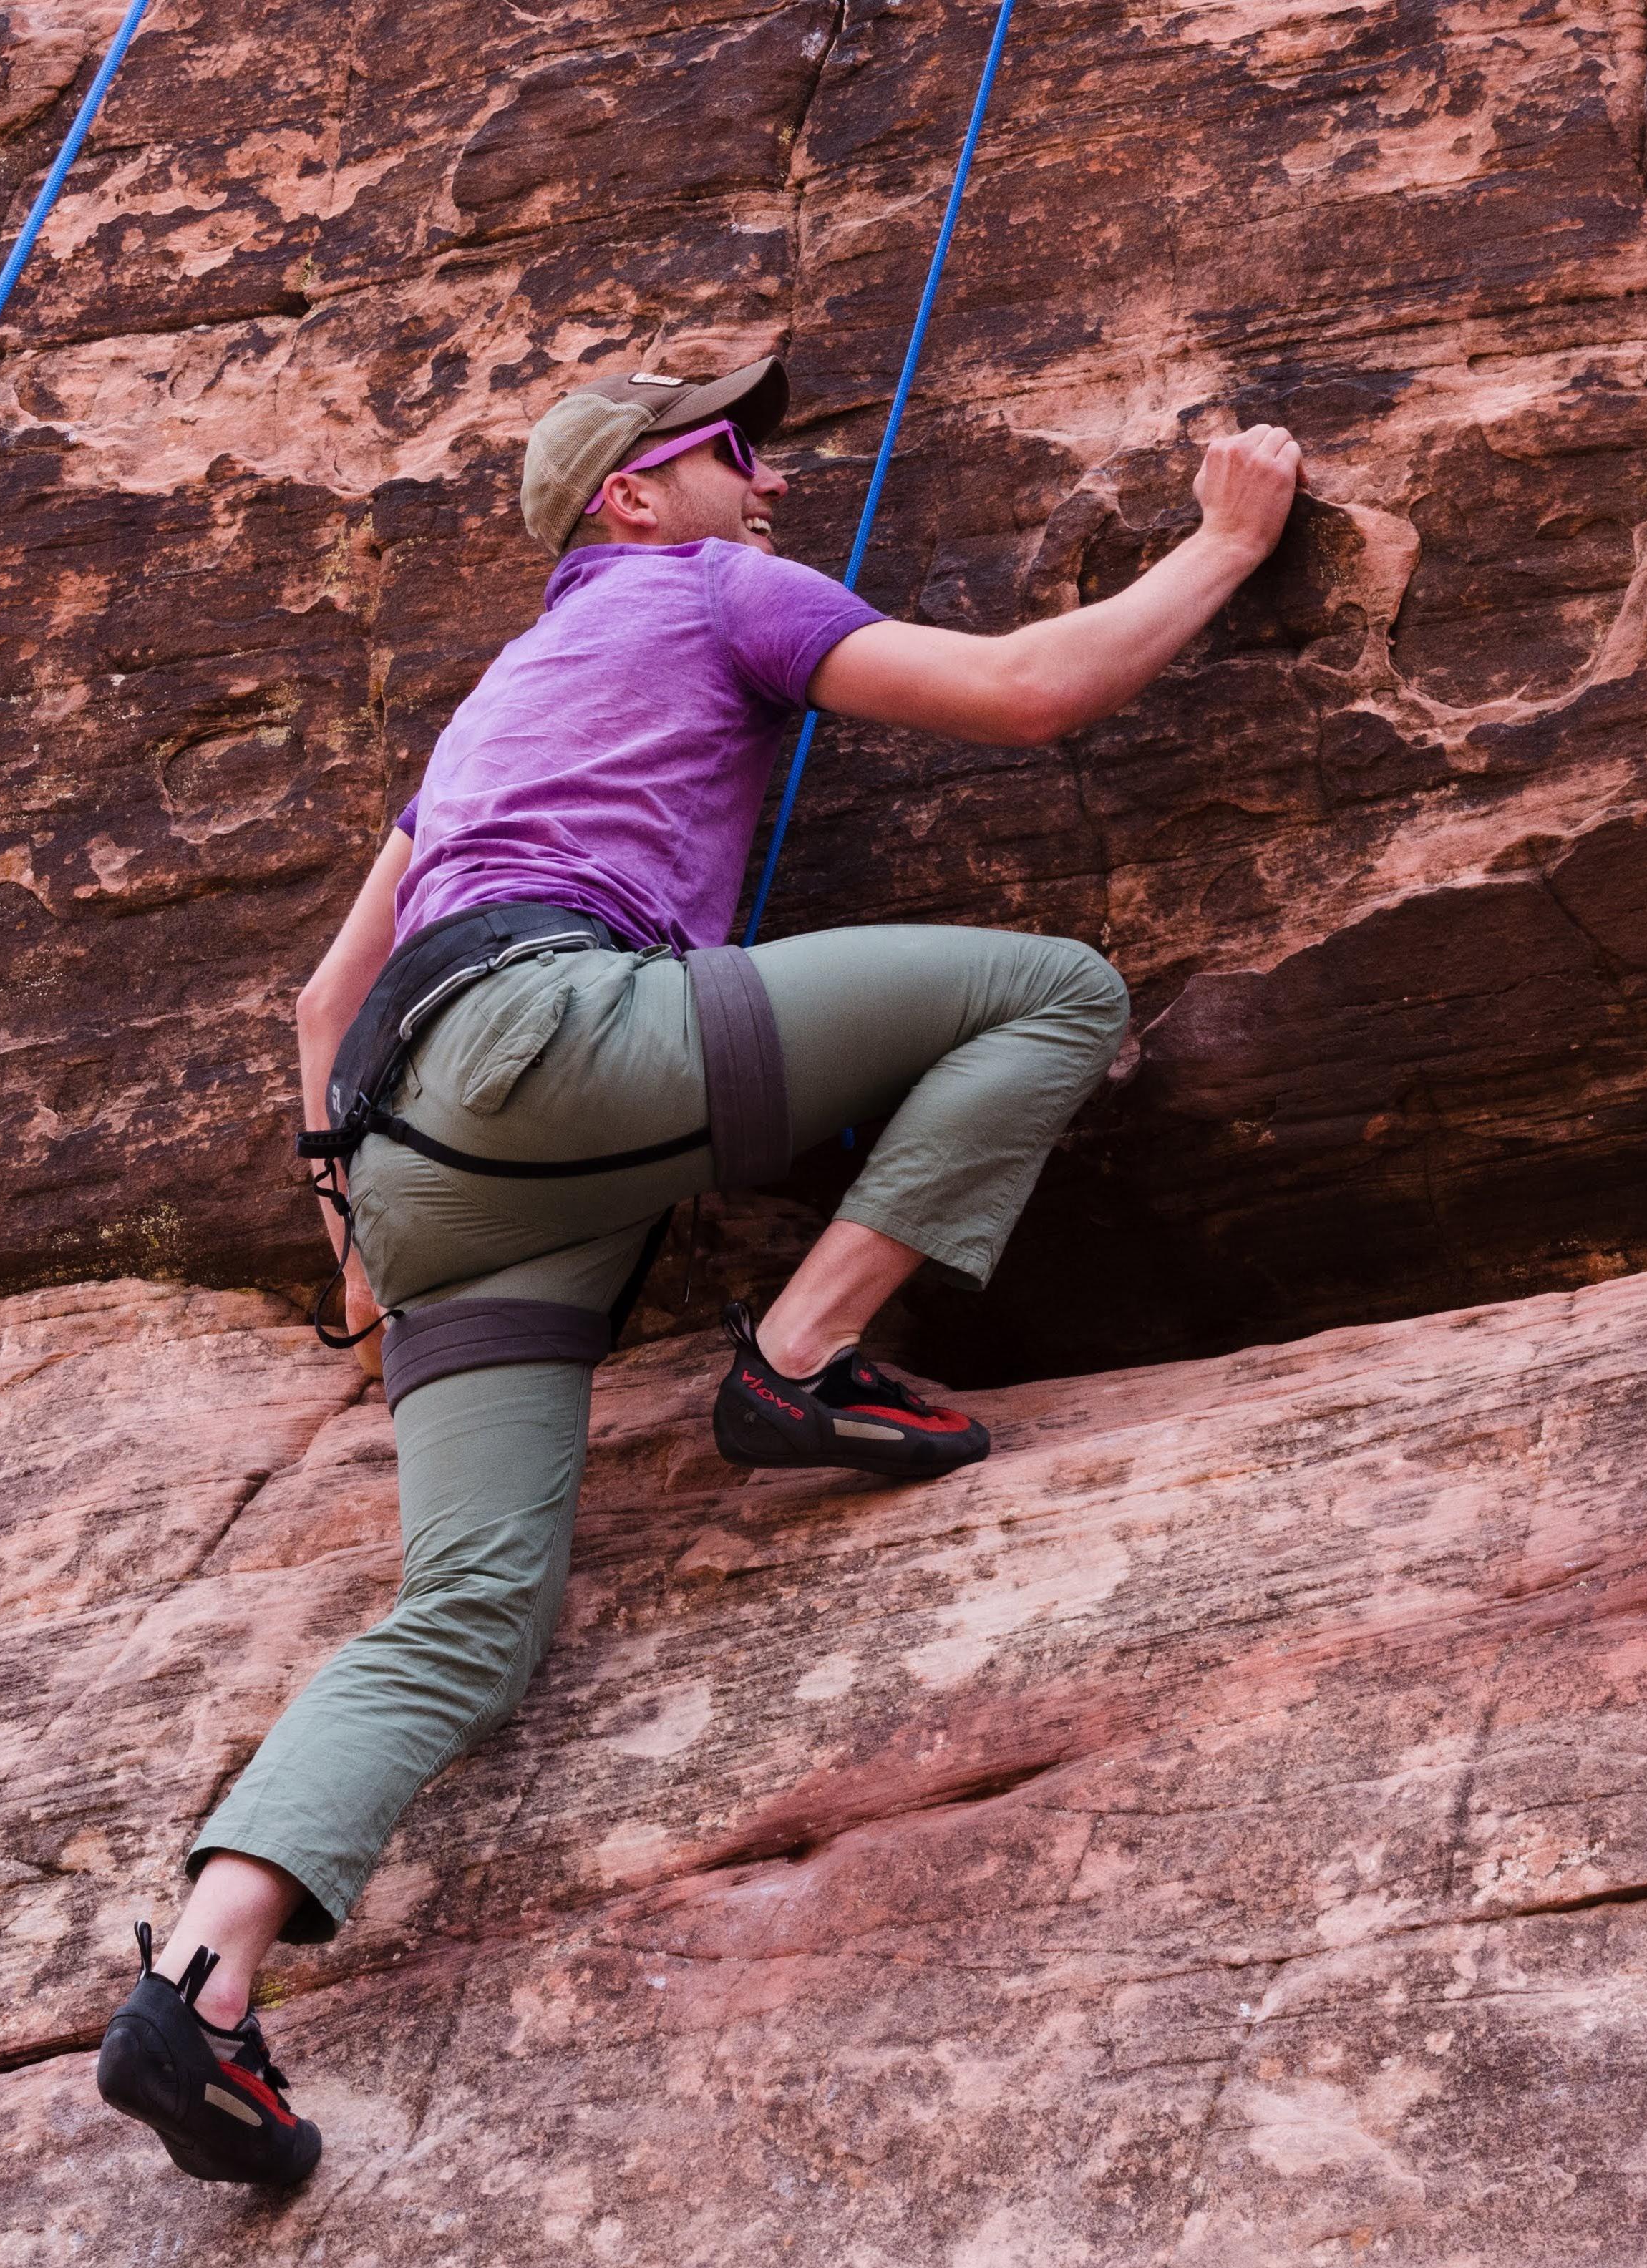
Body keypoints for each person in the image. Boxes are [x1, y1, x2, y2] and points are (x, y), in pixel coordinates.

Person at [92, 354, 1303, 2185]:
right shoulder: (705, 587)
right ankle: (801, 1356)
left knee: (467, 1615)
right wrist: (1223, 543)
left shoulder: (495, 706)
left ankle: (204, 1980)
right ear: (629, 501)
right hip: (558, 1043)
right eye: (733, 454)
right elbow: (1029, 690)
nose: (771, 487)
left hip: (427, 1169)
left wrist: (360, 1261)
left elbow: (322, 1002)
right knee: (1052, 990)